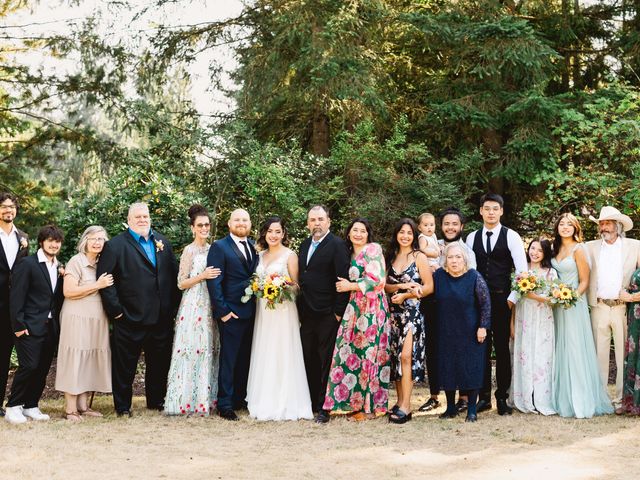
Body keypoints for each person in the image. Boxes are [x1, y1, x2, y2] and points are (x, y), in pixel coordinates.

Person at [97, 202, 181, 417]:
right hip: (129, 317)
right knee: (124, 366)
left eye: (145, 216)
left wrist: (171, 309)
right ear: (129, 220)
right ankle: (123, 406)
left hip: (160, 318)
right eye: (138, 217)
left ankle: (156, 401)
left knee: (159, 364)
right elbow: (106, 281)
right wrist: (116, 312)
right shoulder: (115, 246)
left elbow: (172, 276)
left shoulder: (163, 242)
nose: (143, 220)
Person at [323, 218, 391, 421]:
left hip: (372, 308)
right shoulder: (347, 252)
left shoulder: (373, 249)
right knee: (352, 353)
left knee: (370, 354)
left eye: (362, 230)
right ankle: (354, 403)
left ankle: (370, 408)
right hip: (354, 309)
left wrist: (350, 286)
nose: (358, 234)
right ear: (348, 233)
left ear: (368, 234)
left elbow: (378, 280)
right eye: (355, 230)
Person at [246, 216, 313, 421]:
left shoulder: (290, 256)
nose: (273, 235)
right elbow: (255, 281)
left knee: (282, 351)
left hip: (283, 311)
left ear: (283, 233)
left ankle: (286, 401)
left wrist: (280, 288)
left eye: (277, 231)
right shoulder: (259, 255)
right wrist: (261, 289)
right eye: (270, 231)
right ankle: (264, 399)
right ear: (264, 233)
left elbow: (296, 286)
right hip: (264, 312)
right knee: (265, 350)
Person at [466, 193, 527, 415]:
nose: (491, 212)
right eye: (487, 208)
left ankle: (502, 397)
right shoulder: (471, 238)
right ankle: (483, 397)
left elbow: (523, 272)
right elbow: (468, 271)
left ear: (501, 211)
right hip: (477, 302)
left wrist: (513, 299)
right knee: (479, 348)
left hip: (503, 300)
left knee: (502, 350)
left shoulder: (511, 236)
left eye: (495, 208)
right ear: (481, 211)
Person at [551, 213, 613, 418]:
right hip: (557, 304)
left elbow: (584, 281)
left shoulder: (579, 249)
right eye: (562, 224)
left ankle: (581, 399)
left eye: (570, 224)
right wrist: (557, 297)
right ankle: (562, 398)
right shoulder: (554, 248)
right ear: (557, 227)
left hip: (573, 304)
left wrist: (570, 298)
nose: (565, 227)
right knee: (561, 346)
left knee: (575, 347)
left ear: (576, 228)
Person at [164, 205, 221, 416]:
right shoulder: (189, 250)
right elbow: (181, 283)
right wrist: (202, 276)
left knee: (208, 349)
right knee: (191, 349)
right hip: (193, 304)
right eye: (200, 225)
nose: (204, 228)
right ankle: (183, 401)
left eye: (207, 225)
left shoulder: (214, 249)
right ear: (192, 228)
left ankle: (205, 399)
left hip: (210, 304)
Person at [4, 225, 64, 424]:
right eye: (50, 241)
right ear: (41, 242)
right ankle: (13, 406)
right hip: (28, 325)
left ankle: (30, 405)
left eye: (57, 241)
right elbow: (16, 297)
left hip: (50, 327)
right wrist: (19, 326)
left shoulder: (58, 266)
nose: (54, 244)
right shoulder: (28, 264)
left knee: (42, 368)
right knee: (29, 366)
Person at [418, 206, 476, 413]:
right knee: (434, 350)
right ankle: (434, 396)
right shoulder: (431, 245)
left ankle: (463, 397)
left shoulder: (467, 251)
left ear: (461, 226)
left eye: (454, 224)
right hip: (433, 304)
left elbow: (472, 281)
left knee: (460, 351)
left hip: (459, 308)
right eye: (446, 224)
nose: (450, 227)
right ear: (440, 226)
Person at [425, 243, 490, 422]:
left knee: (471, 368)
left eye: (458, 257)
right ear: (445, 260)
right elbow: (427, 292)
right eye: (450, 257)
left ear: (465, 259)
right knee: (448, 368)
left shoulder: (474, 277)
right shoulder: (438, 276)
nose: (454, 261)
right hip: (446, 330)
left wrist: (483, 326)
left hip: (471, 331)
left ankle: (471, 410)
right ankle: (451, 408)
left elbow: (485, 304)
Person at [297, 205, 350, 424]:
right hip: (306, 313)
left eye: (320, 219)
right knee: (308, 357)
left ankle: (324, 407)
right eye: (312, 220)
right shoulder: (305, 244)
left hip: (328, 313)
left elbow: (342, 278)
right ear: (308, 223)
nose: (316, 223)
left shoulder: (337, 245)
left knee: (325, 360)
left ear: (328, 221)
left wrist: (337, 312)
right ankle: (310, 402)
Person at [55, 226, 114, 421]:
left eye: (101, 239)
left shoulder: (102, 263)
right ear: (85, 241)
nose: (97, 242)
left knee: (89, 358)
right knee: (75, 359)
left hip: (97, 317)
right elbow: (69, 291)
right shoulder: (76, 261)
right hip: (77, 316)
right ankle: (70, 408)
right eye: (93, 239)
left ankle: (83, 406)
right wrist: (98, 285)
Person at [584, 206, 640, 409]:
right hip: (598, 306)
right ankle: (601, 399)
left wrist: (633, 296)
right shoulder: (588, 247)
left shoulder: (635, 246)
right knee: (599, 354)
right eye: (601, 223)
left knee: (623, 355)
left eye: (607, 223)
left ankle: (620, 399)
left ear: (618, 226)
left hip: (622, 308)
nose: (603, 227)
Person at [206, 208, 258, 421]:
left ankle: (239, 398)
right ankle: (225, 404)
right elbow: (214, 282)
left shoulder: (254, 247)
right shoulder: (219, 247)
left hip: (253, 312)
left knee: (245, 358)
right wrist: (223, 312)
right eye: (237, 219)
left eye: (245, 220)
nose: (241, 223)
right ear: (229, 223)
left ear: (250, 223)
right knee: (229, 359)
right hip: (231, 313)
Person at [385, 218, 433, 424]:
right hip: (393, 315)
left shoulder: (419, 257)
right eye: (402, 232)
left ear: (414, 236)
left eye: (409, 233)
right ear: (396, 234)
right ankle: (399, 402)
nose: (405, 236)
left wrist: (408, 295)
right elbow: (385, 286)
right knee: (396, 359)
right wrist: (401, 288)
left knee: (407, 357)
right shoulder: (391, 257)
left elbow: (429, 287)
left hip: (412, 313)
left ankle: (407, 405)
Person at [509, 238, 556, 415]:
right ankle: (524, 397)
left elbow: (554, 297)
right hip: (524, 318)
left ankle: (542, 398)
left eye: (539, 250)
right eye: (532, 248)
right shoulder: (522, 271)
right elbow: (515, 300)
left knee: (542, 356)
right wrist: (512, 323)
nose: (534, 252)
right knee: (524, 355)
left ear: (545, 254)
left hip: (543, 318)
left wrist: (540, 298)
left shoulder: (551, 273)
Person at [0, 192, 29, 417]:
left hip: (17, 309)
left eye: (11, 207)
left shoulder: (23, 238)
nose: (8, 210)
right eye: (3, 207)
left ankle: (12, 404)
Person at [620, 266, 640, 414]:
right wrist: (626, 294)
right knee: (634, 353)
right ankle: (631, 402)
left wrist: (631, 297)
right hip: (635, 315)